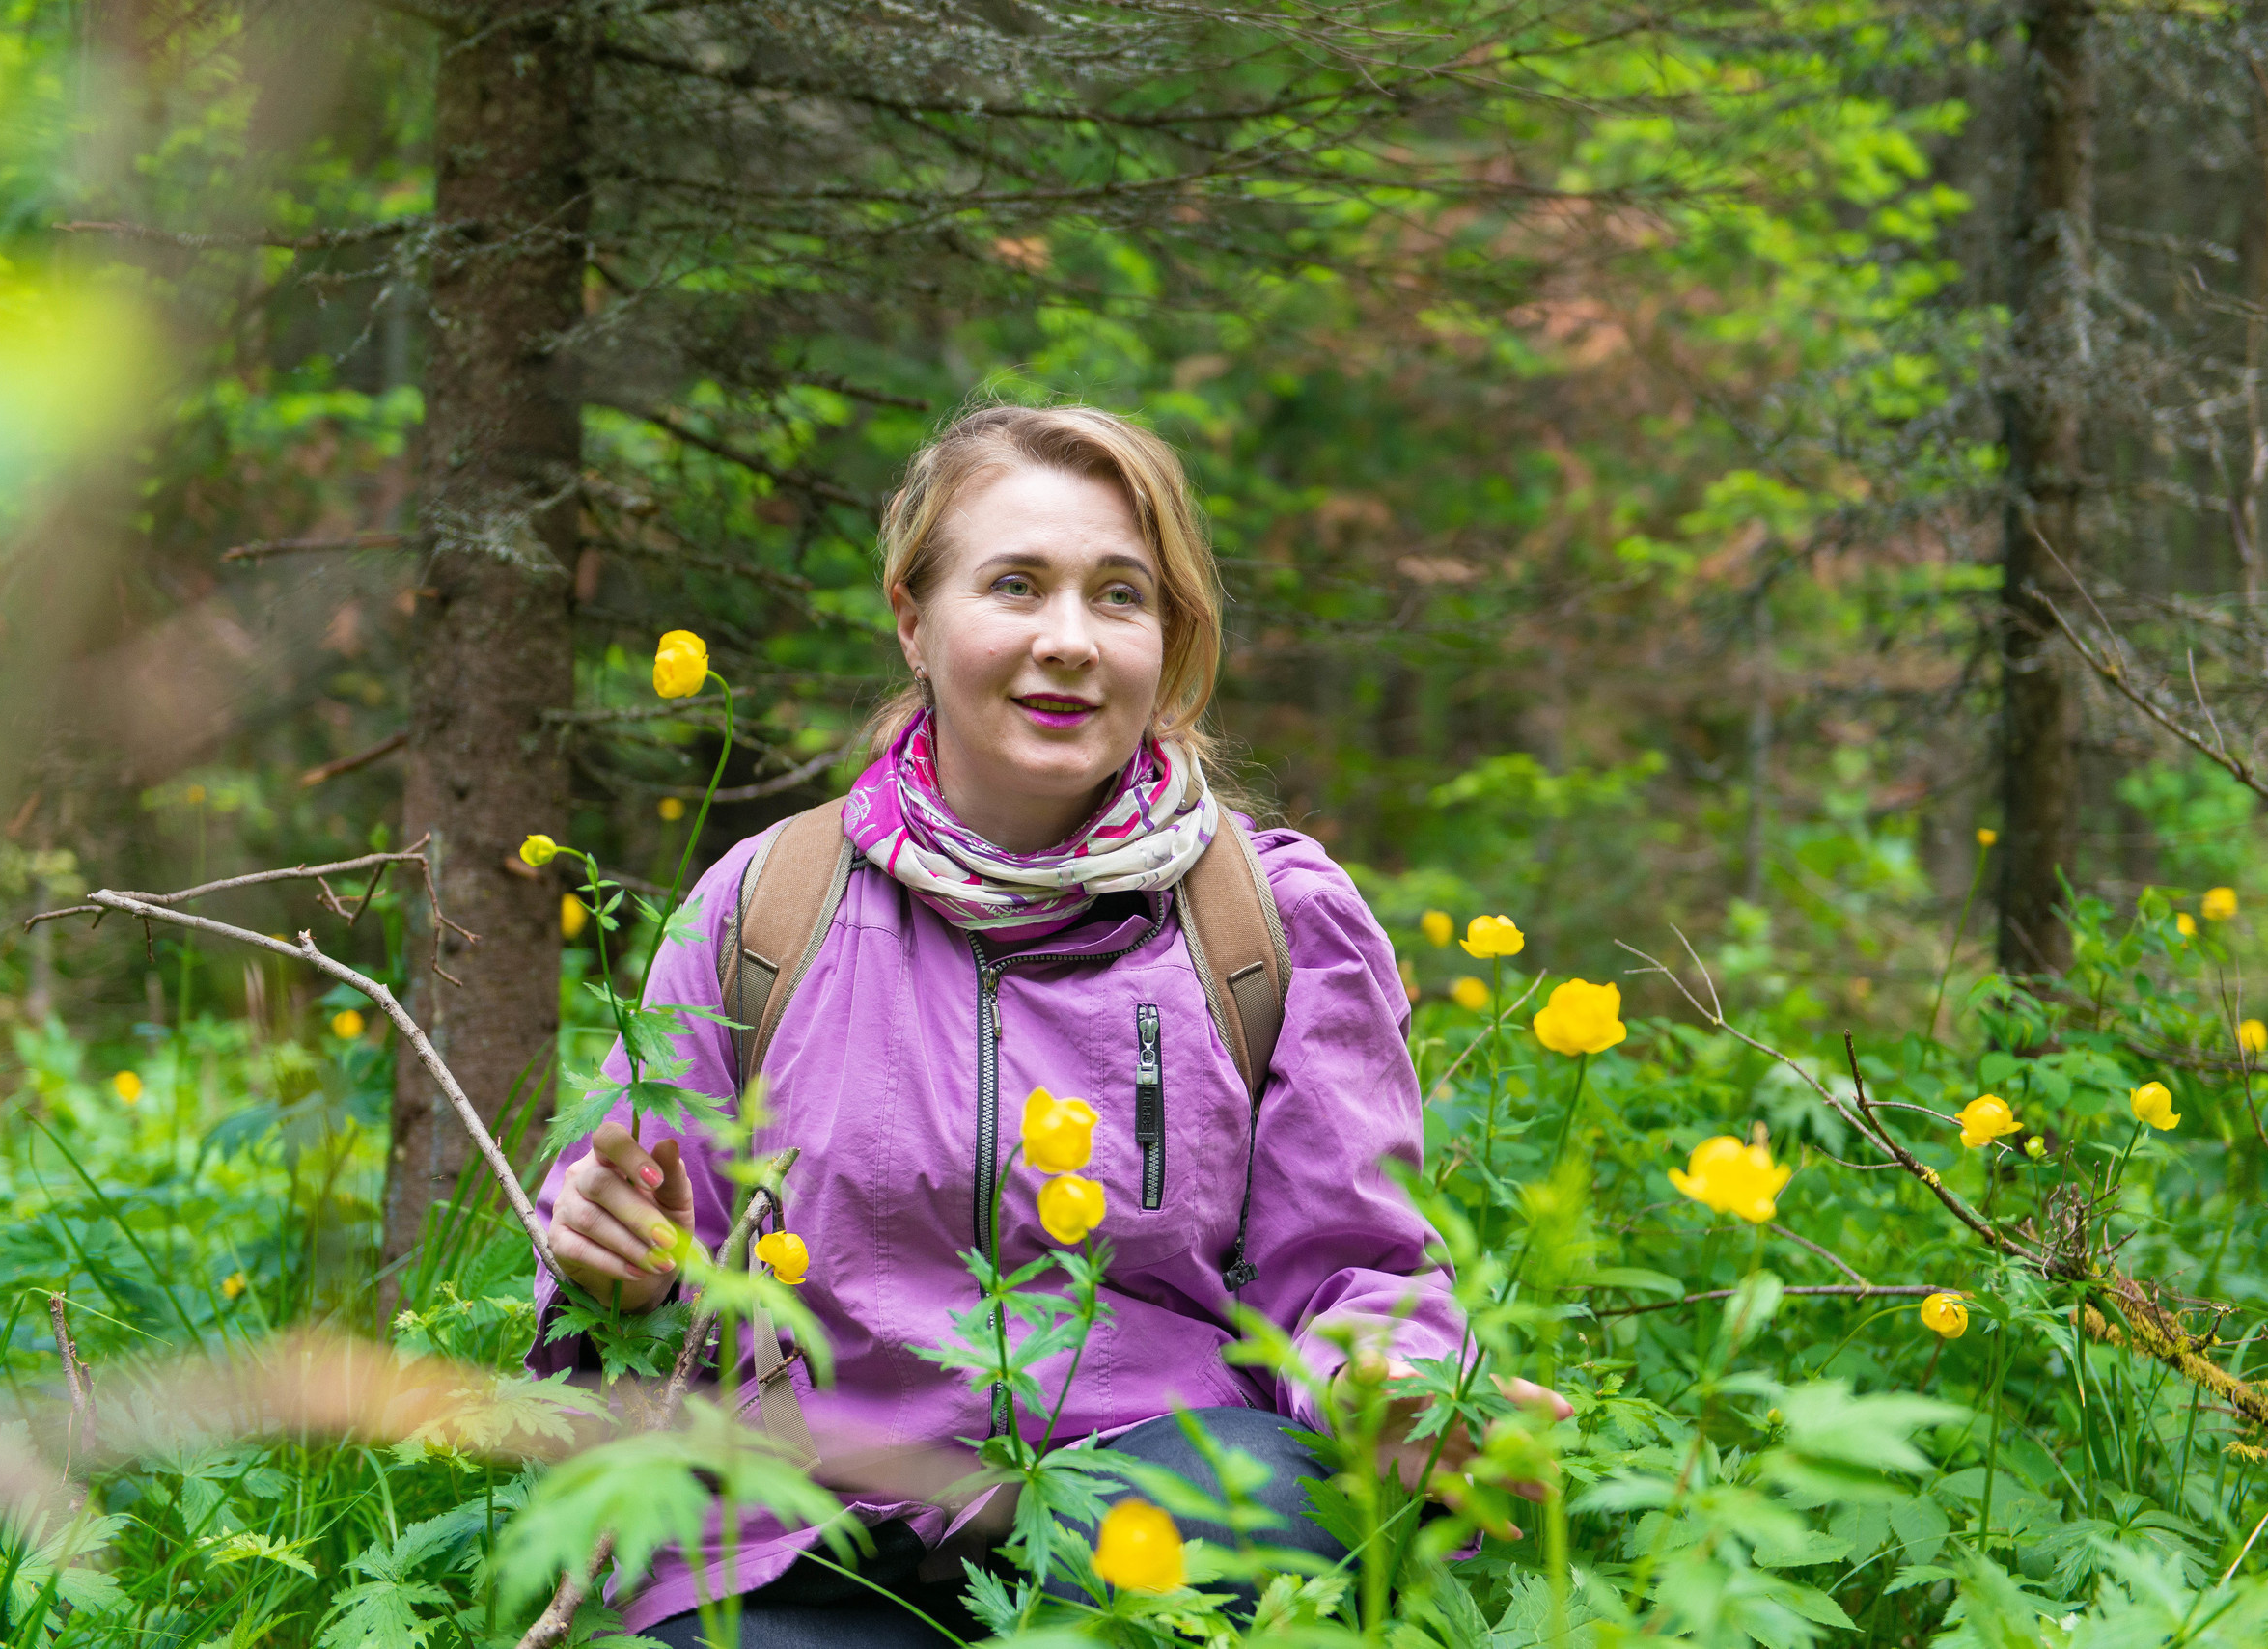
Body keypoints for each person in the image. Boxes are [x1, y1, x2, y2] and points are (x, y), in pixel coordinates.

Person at [527, 404, 1563, 1644]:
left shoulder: (1269, 923)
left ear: (1168, 638)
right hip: (797, 1532)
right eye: (1014, 584)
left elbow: (1345, 1267)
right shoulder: (763, 907)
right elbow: (624, 1262)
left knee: (1260, 1514)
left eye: (1119, 595)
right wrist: (609, 1259)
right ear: (913, 619)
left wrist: (1387, 1381)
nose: (1067, 640)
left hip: (1145, 1491)